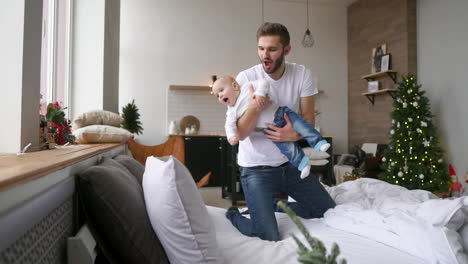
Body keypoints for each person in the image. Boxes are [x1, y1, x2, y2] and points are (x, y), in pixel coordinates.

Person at [224, 22, 336, 241]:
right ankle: (233, 214)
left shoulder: (302, 74)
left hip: (289, 164)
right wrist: (255, 107)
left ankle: (276, 205)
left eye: (272, 49)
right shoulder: (245, 78)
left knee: (327, 211)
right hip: (256, 169)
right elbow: (242, 133)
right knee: (268, 234)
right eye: (261, 48)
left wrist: (295, 135)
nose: (264, 55)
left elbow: (308, 118)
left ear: (286, 50)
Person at [212, 75, 330, 179]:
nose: (220, 96)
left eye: (221, 90)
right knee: (287, 148)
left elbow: (264, 82)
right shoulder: (231, 111)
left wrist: (260, 93)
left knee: (301, 126)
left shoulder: (247, 87)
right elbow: (229, 125)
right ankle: (303, 164)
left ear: (234, 86)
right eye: (217, 96)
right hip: (270, 129)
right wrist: (231, 136)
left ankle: (318, 142)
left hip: (280, 114)